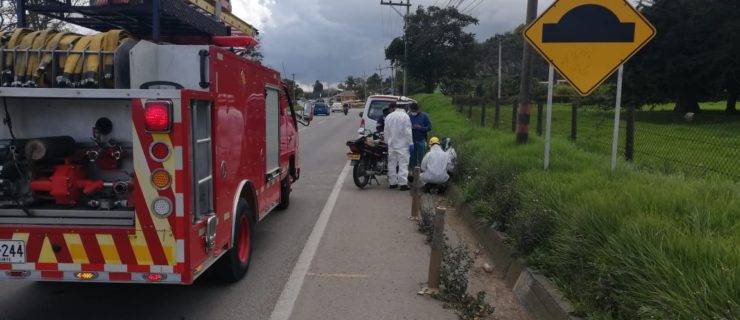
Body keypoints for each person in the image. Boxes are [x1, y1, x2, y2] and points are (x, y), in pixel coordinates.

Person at [383, 102, 413, 191]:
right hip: (403, 145)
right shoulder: (405, 116)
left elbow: (386, 131)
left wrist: (386, 142)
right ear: (404, 108)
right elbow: (408, 131)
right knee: (403, 164)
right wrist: (411, 143)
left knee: (391, 164)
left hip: (392, 145)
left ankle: (392, 183)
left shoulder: (389, 116)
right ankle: (403, 184)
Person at [408, 103, 432, 170]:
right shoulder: (409, 116)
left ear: (418, 110)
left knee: (422, 156)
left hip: (421, 139)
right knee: (412, 157)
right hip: (411, 140)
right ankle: (413, 172)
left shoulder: (424, 116)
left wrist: (421, 128)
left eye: (415, 111)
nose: (413, 112)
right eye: (412, 111)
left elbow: (429, 127)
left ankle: (423, 171)